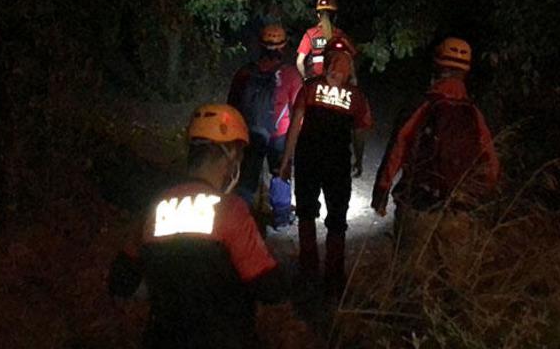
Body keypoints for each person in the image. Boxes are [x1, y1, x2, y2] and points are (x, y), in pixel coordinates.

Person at [107, 104, 313, 349]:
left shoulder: (155, 208)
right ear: (230, 157)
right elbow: (270, 288)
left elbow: (120, 281)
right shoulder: (230, 211)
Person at [371, 37, 500, 257]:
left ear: (437, 66)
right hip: (459, 213)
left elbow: (397, 149)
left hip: (418, 207)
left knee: (410, 281)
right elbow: (491, 164)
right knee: (453, 285)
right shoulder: (473, 113)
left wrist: (381, 193)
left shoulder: (422, 104)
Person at [279, 38, 372, 295]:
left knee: (307, 214)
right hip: (337, 164)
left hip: (309, 161)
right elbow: (360, 131)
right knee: (337, 220)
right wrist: (360, 159)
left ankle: (308, 270)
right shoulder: (356, 96)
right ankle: (334, 276)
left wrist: (286, 162)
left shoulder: (309, 87)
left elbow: (295, 126)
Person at [227, 24, 302, 221]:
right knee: (280, 173)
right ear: (283, 47)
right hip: (279, 134)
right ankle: (281, 217)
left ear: (260, 46)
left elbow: (232, 106)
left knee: (247, 177)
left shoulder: (244, 73)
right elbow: (298, 111)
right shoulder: (291, 75)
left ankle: (241, 217)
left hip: (250, 132)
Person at [296, 0, 357, 80]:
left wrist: (305, 78)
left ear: (318, 16)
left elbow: (299, 62)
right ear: (335, 17)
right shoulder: (341, 35)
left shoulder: (310, 34)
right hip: (337, 83)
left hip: (315, 81)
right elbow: (352, 58)